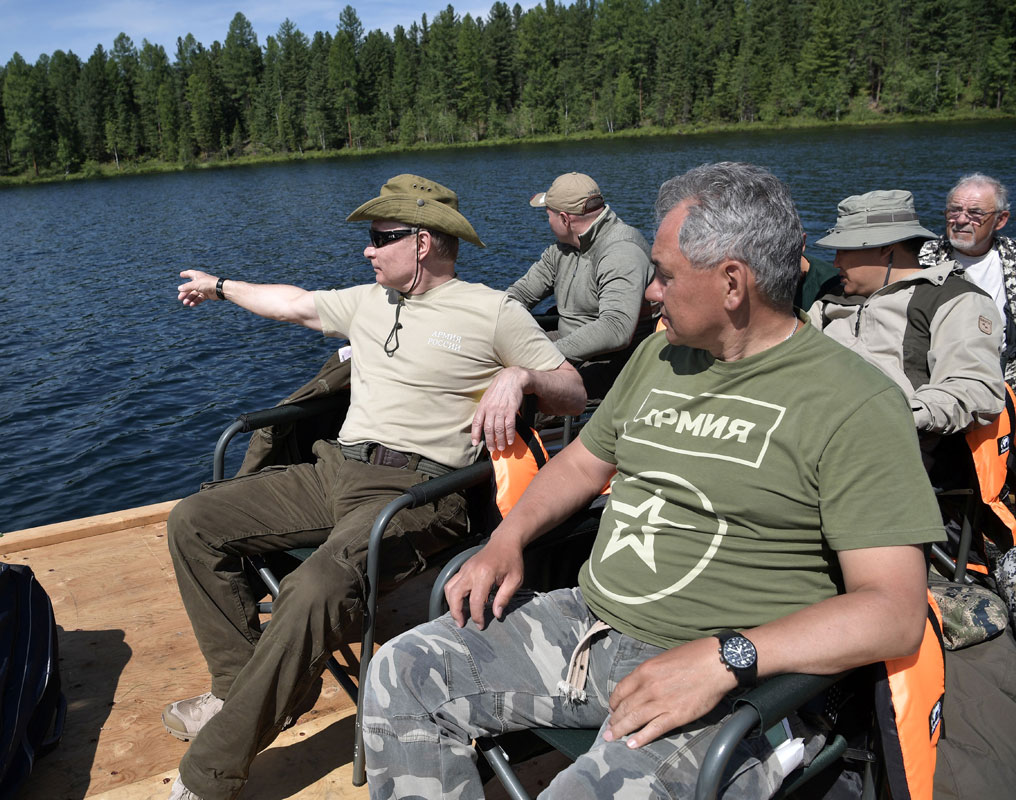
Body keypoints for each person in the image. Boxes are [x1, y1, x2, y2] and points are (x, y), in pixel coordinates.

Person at [361, 162, 945, 800]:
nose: (649, 293)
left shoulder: (853, 403)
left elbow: (893, 612)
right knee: (401, 671)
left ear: (732, 283)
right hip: (588, 627)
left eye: (664, 274)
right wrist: (509, 537)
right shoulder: (658, 356)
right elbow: (584, 463)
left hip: (733, 686)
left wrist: (727, 657)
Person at [164, 174, 585, 800]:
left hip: (417, 491)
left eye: (380, 237)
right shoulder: (368, 302)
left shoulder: (491, 310)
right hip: (335, 469)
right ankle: (244, 687)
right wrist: (220, 287)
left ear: (423, 242)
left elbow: (573, 390)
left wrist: (520, 376)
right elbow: (293, 303)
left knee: (315, 588)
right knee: (192, 520)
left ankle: (211, 772)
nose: (368, 249)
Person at [809, 189, 1003, 467]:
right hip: (814, 437)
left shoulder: (954, 299)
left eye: (845, 249)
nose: (836, 261)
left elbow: (974, 390)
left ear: (886, 248)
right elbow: (790, 352)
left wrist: (895, 415)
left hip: (897, 455)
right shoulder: (831, 297)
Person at [506, 172, 654, 398]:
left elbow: (616, 328)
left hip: (616, 365)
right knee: (490, 360)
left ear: (565, 219)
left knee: (520, 394)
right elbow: (520, 294)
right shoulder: (562, 249)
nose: (547, 222)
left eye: (548, 215)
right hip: (569, 347)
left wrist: (548, 358)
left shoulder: (621, 251)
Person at [919, 174, 1015, 379]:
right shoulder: (921, 260)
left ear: (1000, 220)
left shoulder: (1012, 258)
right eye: (955, 210)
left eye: (975, 213)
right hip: (939, 375)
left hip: (1007, 376)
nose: (961, 220)